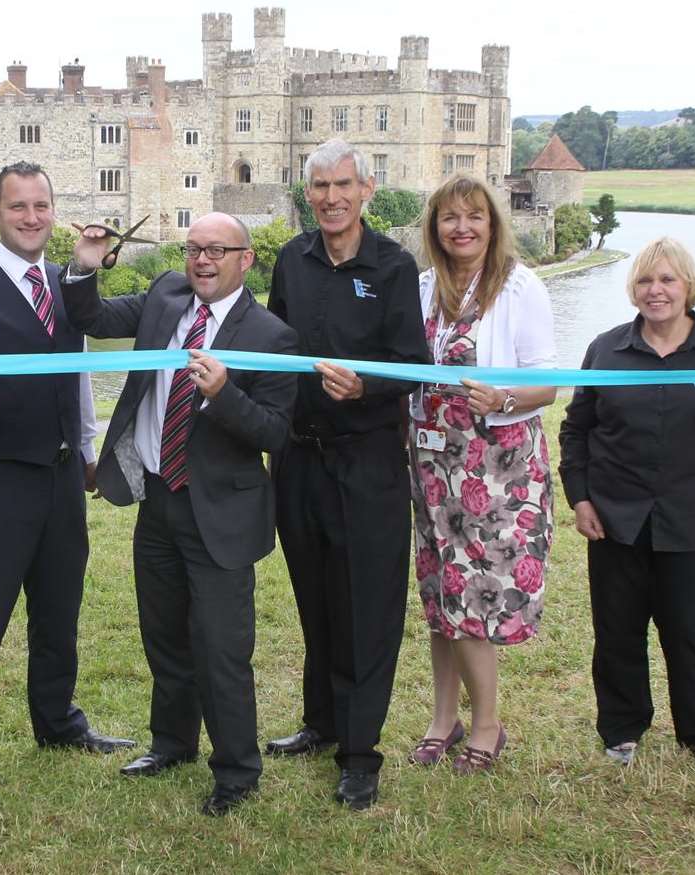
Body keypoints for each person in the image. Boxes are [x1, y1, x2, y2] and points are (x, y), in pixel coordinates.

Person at [62, 213, 298, 816]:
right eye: (195, 248)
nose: (202, 260)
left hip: (220, 513)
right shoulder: (167, 296)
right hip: (160, 498)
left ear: (246, 260)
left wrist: (224, 396)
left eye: (217, 250)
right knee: (163, 633)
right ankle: (172, 743)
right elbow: (91, 318)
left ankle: (237, 770)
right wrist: (85, 267)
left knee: (220, 648)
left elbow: (275, 432)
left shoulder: (271, 337)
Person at [0, 161, 133, 809]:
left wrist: (89, 449)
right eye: (17, 206)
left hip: (62, 474)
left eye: (41, 205)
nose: (31, 216)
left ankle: (57, 721)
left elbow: (75, 374)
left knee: (58, 610)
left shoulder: (64, 284)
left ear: (54, 210)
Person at [558, 237, 695, 769]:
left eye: (667, 280)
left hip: (692, 520)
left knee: (693, 630)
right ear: (634, 290)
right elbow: (577, 430)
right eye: (646, 281)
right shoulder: (605, 350)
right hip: (616, 520)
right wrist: (580, 498)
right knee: (617, 630)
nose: (656, 291)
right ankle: (622, 729)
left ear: (687, 287)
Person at [264, 138, 431, 809]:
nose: (331, 198)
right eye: (320, 188)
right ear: (309, 195)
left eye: (343, 185)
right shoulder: (290, 261)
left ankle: (360, 753)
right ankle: (321, 721)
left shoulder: (392, 266)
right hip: (299, 458)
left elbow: (413, 365)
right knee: (317, 597)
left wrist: (363, 385)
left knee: (366, 606)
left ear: (366, 189)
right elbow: (273, 347)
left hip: (367, 463)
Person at [406, 174, 557, 774]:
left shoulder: (520, 288)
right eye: (449, 217)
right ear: (435, 228)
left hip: (497, 467)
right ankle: (444, 719)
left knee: (471, 596)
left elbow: (547, 381)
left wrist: (505, 401)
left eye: (474, 216)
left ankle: (489, 727)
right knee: (440, 594)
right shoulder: (423, 288)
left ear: (492, 223)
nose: (461, 227)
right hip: (432, 463)